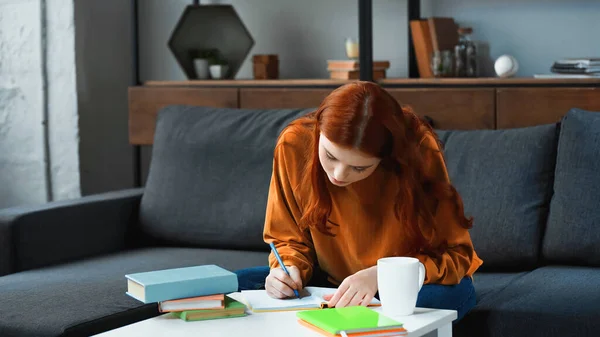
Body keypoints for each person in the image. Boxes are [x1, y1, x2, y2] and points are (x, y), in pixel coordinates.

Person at [235, 81, 483, 321]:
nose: (338, 175)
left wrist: (381, 276)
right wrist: (287, 270)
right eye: (330, 156)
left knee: (431, 301)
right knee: (228, 287)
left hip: (407, 284)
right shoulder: (294, 144)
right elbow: (287, 239)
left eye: (359, 167)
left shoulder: (418, 149)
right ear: (319, 130)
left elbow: (457, 256)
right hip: (331, 282)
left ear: (386, 158)